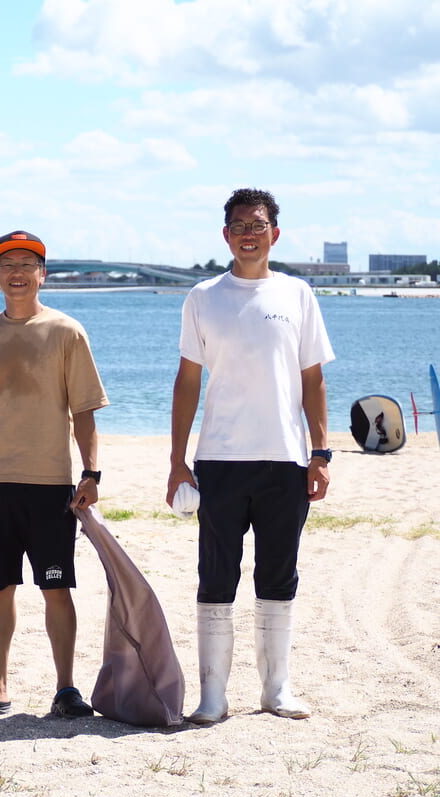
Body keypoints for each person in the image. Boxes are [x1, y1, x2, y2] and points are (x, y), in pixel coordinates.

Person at [167, 187, 334, 724]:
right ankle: (213, 695)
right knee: (216, 576)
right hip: (219, 460)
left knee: (278, 574)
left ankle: (276, 689)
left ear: (274, 234)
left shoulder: (297, 294)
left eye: (257, 225)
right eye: (239, 225)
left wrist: (320, 453)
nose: (248, 234)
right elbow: (187, 381)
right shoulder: (203, 297)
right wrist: (177, 460)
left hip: (286, 459)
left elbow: (313, 379)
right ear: (226, 235)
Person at [0, 230, 108, 719]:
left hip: (51, 488)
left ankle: (66, 688)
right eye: (7, 265)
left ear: (42, 275)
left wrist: (91, 472)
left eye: (27, 265)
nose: (17, 273)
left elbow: (84, 412)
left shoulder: (67, 332)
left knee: (57, 588)